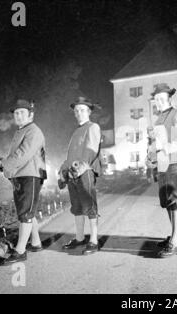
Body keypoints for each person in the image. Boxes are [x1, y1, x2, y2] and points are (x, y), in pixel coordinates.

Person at [0, 99, 47, 263]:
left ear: (31, 114)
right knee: (28, 210)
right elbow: (15, 157)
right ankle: (35, 243)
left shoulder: (33, 131)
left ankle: (20, 251)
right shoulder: (21, 131)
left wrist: (3, 164)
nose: (18, 115)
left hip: (31, 175)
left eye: (22, 112)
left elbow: (23, 154)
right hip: (22, 174)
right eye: (16, 113)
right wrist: (0, 164)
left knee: (25, 212)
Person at [149, 83, 177, 258]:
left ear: (169, 98)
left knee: (174, 200)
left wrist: (164, 149)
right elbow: (155, 143)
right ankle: (176, 236)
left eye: (161, 98)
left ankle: (174, 244)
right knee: (167, 200)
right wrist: (151, 158)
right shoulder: (158, 119)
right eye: (155, 99)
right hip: (163, 163)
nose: (157, 102)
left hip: (175, 161)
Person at [59, 97, 103, 255]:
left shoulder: (93, 127)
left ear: (89, 112)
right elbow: (70, 156)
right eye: (76, 111)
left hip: (86, 172)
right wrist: (62, 170)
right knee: (77, 208)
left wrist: (80, 168)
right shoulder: (76, 131)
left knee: (89, 206)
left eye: (82, 110)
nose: (78, 113)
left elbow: (91, 151)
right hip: (72, 174)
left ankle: (94, 240)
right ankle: (79, 238)